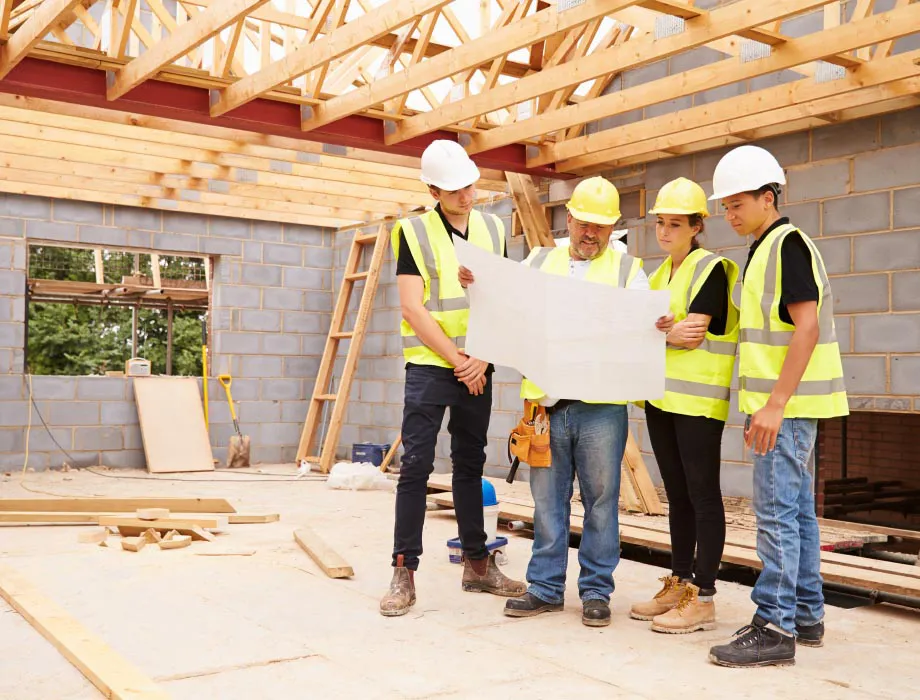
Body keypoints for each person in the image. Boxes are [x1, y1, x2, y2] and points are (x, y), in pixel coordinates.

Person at [462, 176, 660, 628]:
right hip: (546, 406)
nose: (591, 234)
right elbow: (504, 306)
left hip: (601, 409)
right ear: (568, 218)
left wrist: (660, 322)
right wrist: (476, 285)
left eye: (601, 227)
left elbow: (646, 326)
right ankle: (546, 588)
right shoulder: (538, 261)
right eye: (584, 223)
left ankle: (595, 593)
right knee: (548, 503)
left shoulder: (630, 272)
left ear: (613, 229)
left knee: (602, 502)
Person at [705, 145, 848, 667]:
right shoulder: (765, 247)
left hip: (783, 409)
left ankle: (774, 627)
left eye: (736, 203)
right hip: (781, 407)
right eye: (725, 206)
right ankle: (806, 615)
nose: (729, 214)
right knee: (796, 515)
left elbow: (805, 327)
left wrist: (775, 404)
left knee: (776, 517)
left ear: (768, 198)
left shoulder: (786, 245)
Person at [380, 140, 525, 617]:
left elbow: (502, 297)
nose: (467, 195)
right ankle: (404, 571)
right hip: (430, 364)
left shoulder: (492, 226)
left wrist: (480, 358)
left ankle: (477, 566)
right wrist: (458, 358)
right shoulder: (413, 232)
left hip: (476, 364)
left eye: (470, 184)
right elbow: (411, 306)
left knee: (470, 463)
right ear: (433, 189)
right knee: (417, 466)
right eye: (455, 189)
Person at [628, 177, 740, 634]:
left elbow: (692, 334)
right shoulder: (659, 276)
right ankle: (679, 581)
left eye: (676, 224)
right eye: (661, 223)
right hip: (661, 398)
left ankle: (705, 596)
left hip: (698, 403)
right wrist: (659, 332)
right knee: (677, 495)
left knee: (702, 494)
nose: (665, 231)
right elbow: (645, 333)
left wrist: (658, 332)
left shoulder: (711, 269)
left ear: (697, 226)